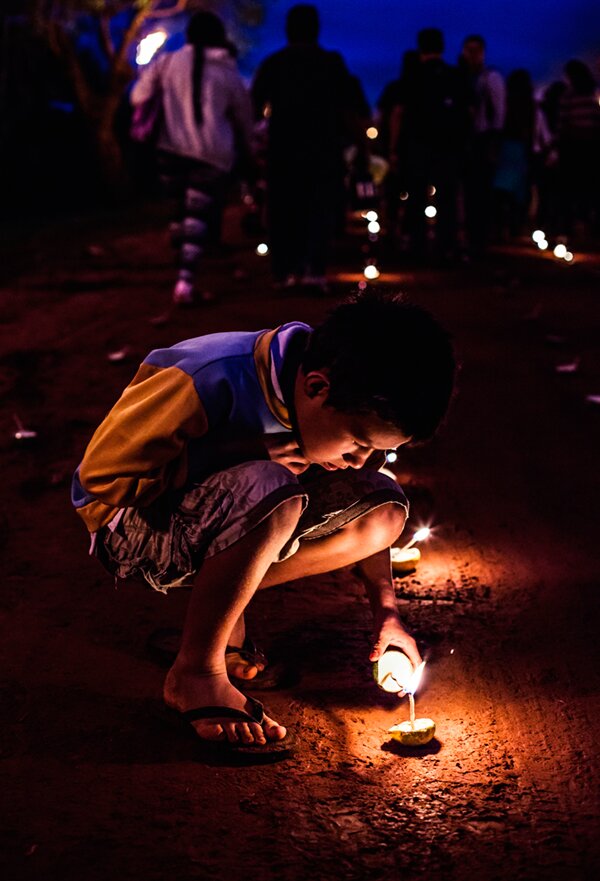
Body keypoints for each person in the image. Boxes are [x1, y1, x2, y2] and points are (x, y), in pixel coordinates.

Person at [71, 291, 455, 753]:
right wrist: (238, 451)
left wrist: (388, 616)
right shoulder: (205, 375)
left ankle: (222, 603)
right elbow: (102, 481)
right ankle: (196, 671)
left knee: (384, 505)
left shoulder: (325, 388)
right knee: (272, 488)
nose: (359, 460)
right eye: (356, 442)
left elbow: (356, 485)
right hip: (131, 527)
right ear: (316, 388)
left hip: (231, 507)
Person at [130, 11, 253, 306]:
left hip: (169, 150)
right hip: (212, 154)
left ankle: (182, 273)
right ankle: (185, 283)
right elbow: (243, 117)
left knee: (179, 215)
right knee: (197, 217)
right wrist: (247, 148)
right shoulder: (227, 70)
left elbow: (137, 97)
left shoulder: (166, 63)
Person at [251, 4, 359, 293]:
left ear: (288, 30)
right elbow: (351, 105)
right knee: (318, 210)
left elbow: (254, 105)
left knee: (284, 210)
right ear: (316, 29)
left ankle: (285, 272)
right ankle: (314, 270)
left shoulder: (274, 63)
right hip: (323, 150)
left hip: (283, 150)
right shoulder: (332, 63)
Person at [389, 28, 468, 261]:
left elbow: (398, 113)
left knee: (415, 198)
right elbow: (468, 112)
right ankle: (446, 247)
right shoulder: (454, 76)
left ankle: (417, 247)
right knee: (447, 199)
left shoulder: (411, 77)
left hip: (417, 146)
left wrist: (394, 148)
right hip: (448, 147)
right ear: (442, 47)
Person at [459, 35, 506, 257]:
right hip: (470, 142)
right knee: (471, 193)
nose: (471, 55)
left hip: (483, 139)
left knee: (481, 192)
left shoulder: (490, 77)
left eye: (475, 50)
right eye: (468, 50)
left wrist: (494, 141)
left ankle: (481, 239)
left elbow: (499, 111)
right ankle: (474, 237)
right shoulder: (467, 78)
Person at [493, 69, 551, 239]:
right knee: (519, 192)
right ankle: (515, 227)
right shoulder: (533, 107)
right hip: (522, 151)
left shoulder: (506, 103)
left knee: (501, 191)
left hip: (505, 150)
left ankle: (499, 227)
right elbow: (541, 132)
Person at [557, 59, 600, 237]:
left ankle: (569, 229)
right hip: (589, 147)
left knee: (570, 190)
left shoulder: (569, 95)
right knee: (589, 189)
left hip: (574, 148)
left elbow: (563, 123)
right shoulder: (593, 94)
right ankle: (589, 227)